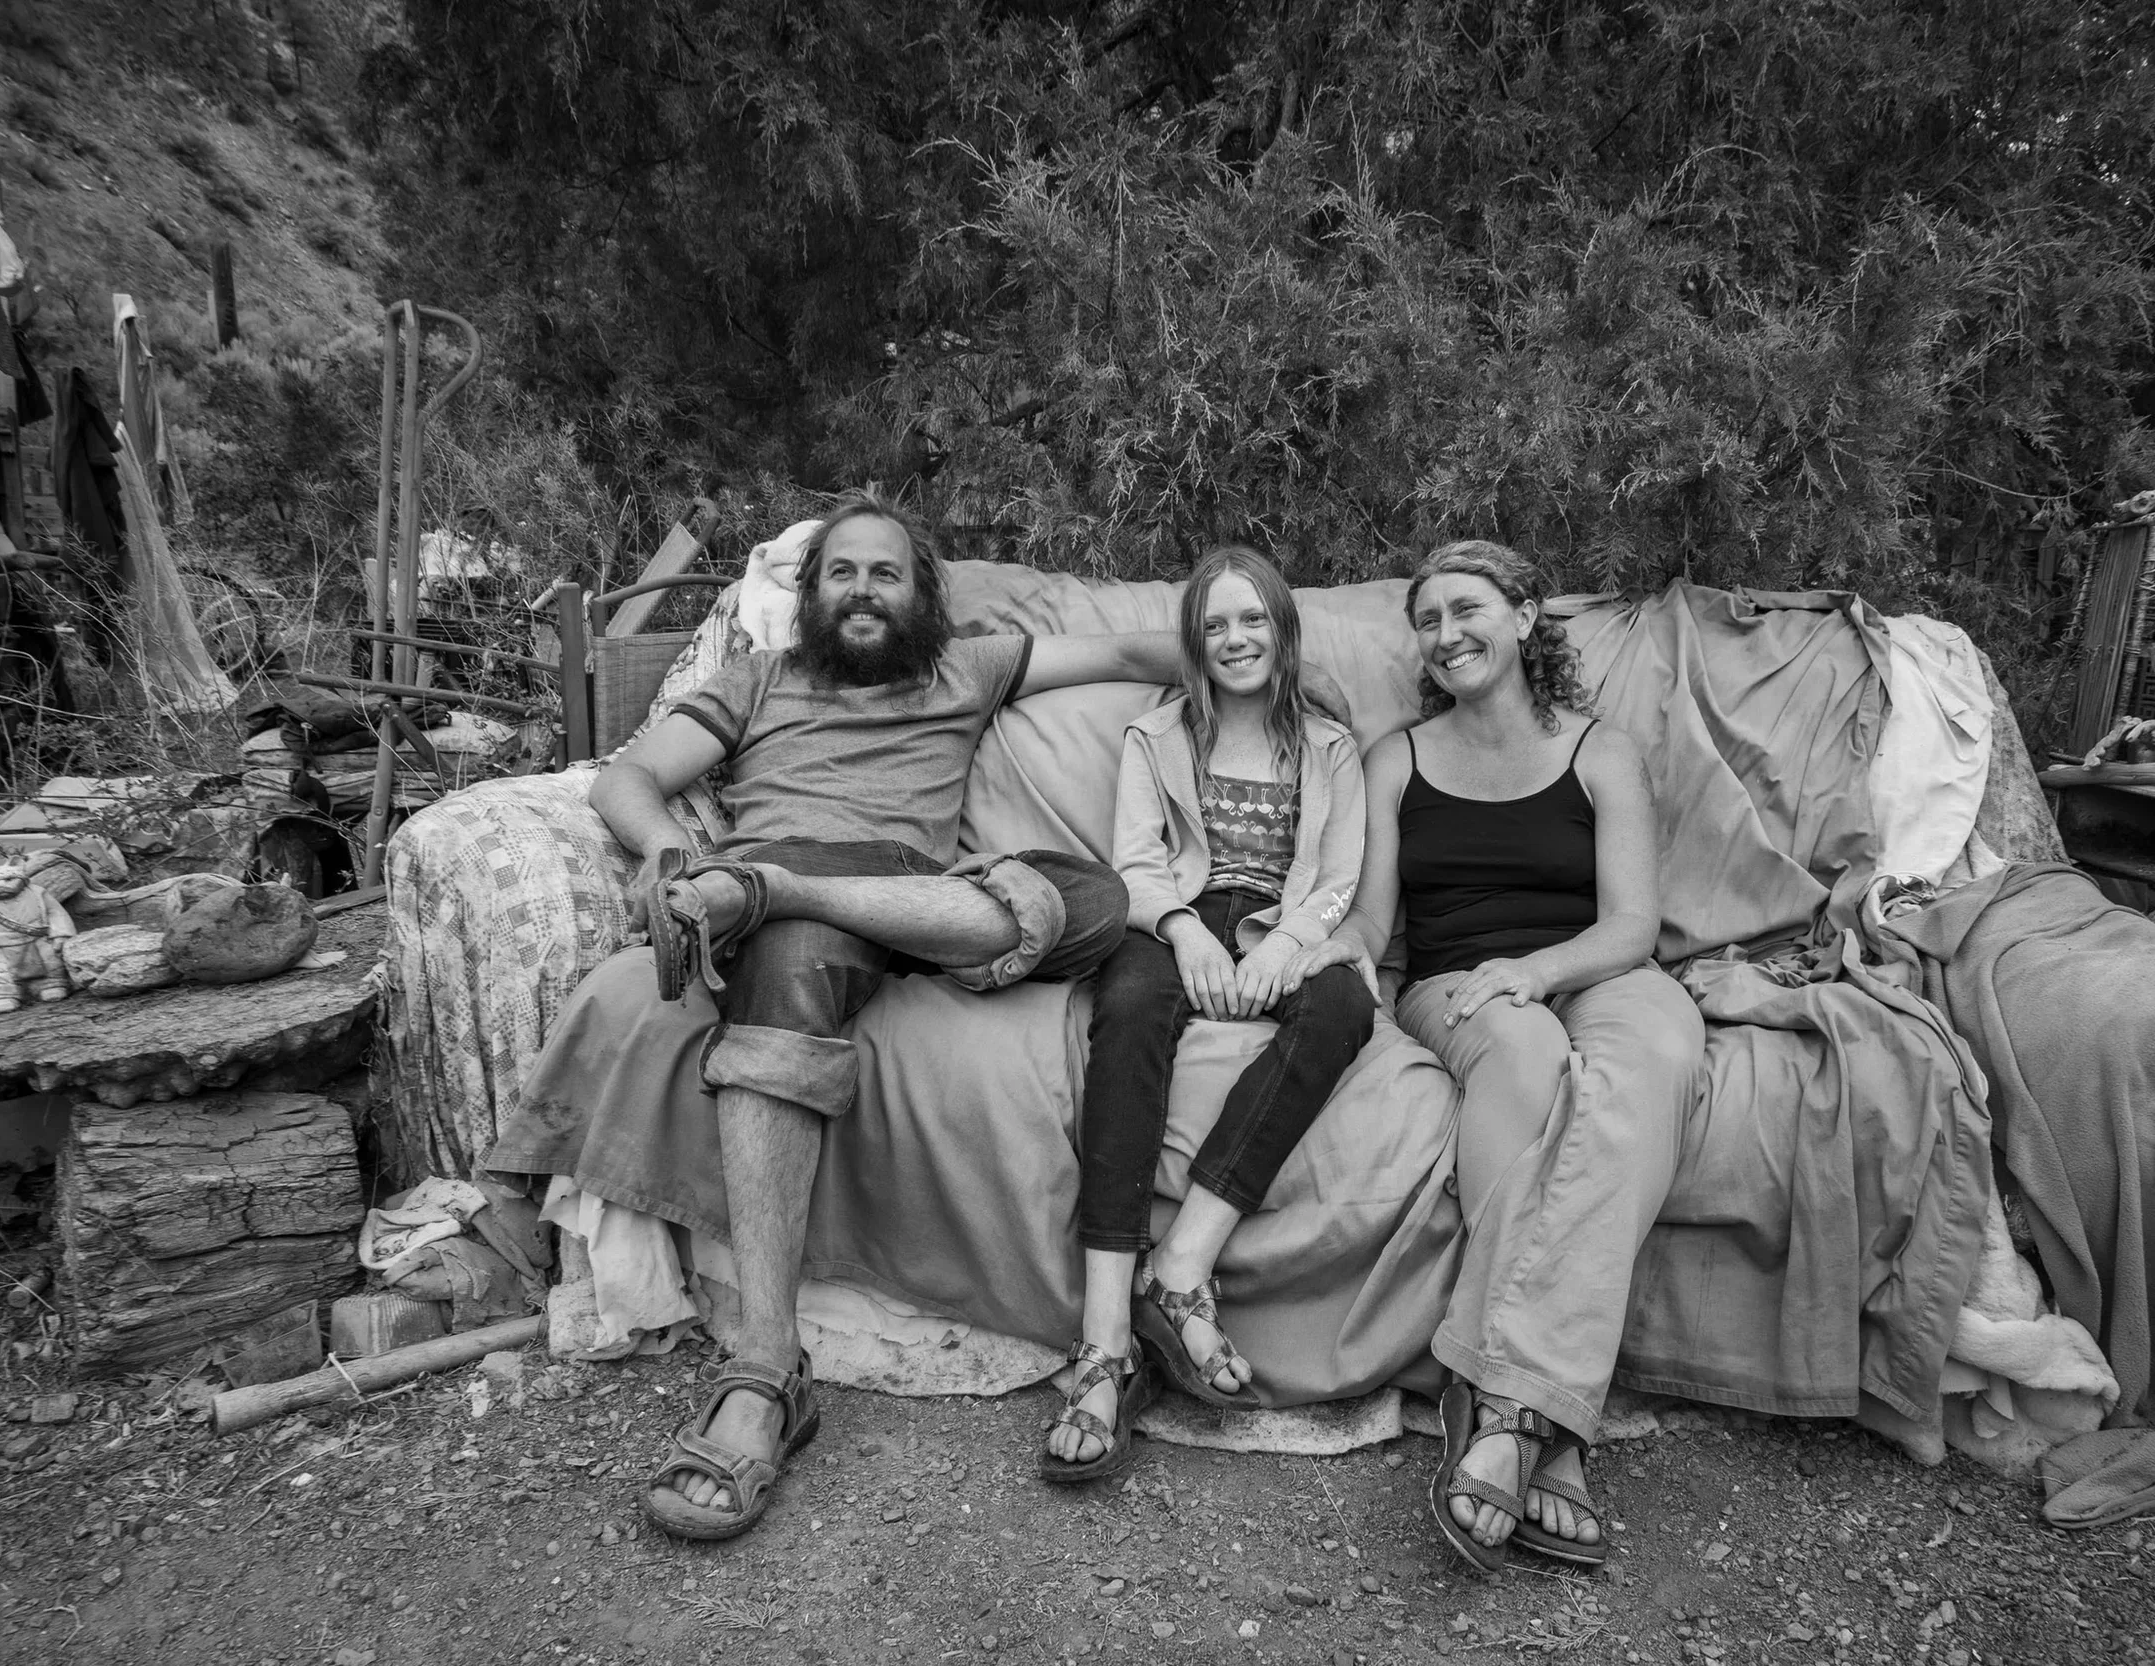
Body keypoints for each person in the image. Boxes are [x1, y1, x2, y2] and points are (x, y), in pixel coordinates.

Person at [537, 488, 1188, 1541]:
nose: (863, 589)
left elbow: (1133, 655)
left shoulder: (968, 666)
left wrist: (1261, 645)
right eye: (842, 571)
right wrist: (669, 855)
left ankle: (774, 893)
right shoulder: (755, 679)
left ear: (922, 592)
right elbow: (631, 778)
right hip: (801, 908)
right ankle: (763, 1375)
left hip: (913, 899)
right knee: (790, 957)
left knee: (1101, 903)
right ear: (811, 593)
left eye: (886, 572)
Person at [1322, 539, 1704, 1570]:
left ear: (1525, 616)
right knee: (1529, 1054)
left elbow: (1632, 924)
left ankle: (1512, 1409)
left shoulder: (1601, 752)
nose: (1446, 634)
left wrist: (1540, 967)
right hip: (1458, 984)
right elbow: (1370, 920)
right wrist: (1325, 961)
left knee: (1656, 1056)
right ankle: (1545, 1424)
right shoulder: (1396, 756)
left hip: (1590, 968)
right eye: (1430, 619)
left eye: (1466, 609)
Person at [1042, 547, 1378, 1483]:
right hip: (1175, 919)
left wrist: (1283, 947)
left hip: (1285, 920)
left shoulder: (1330, 747)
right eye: (1215, 624)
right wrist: (1186, 932)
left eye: (1253, 620)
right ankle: (1105, 1341)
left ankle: (1183, 1264)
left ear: (1283, 631)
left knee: (1344, 1004)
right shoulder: (1154, 740)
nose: (1236, 639)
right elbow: (1137, 865)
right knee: (1133, 1006)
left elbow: (1338, 876)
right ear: (1194, 642)